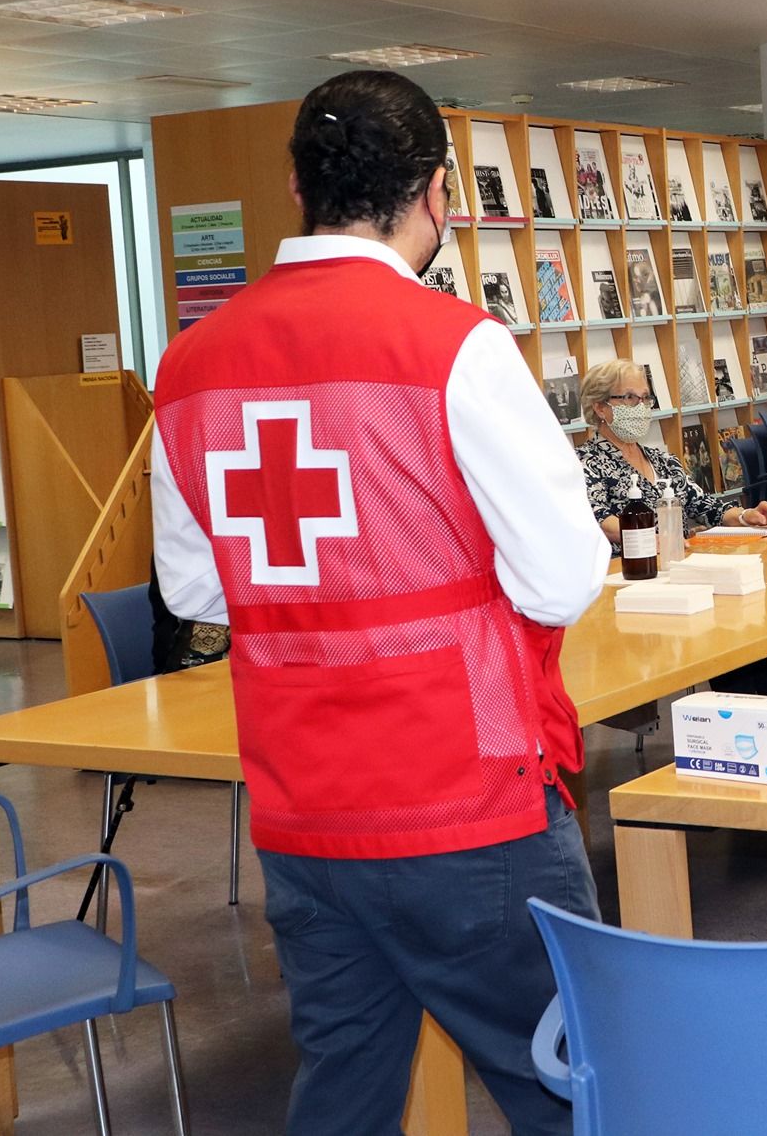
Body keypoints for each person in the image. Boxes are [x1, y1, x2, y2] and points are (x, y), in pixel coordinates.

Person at [150, 71, 611, 1134]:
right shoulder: (455, 345)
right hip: (467, 795)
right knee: (567, 1082)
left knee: (347, 1086)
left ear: (296, 188)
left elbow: (193, 587)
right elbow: (560, 575)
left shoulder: (190, 363)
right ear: (437, 193)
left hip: (302, 807)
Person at [577, 359, 767, 697]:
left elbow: (703, 505)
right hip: (632, 581)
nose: (642, 407)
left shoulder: (661, 459)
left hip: (679, 571)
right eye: (630, 398)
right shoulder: (586, 462)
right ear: (601, 407)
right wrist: (652, 538)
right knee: (723, 624)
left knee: (752, 623)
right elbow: (600, 520)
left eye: (646, 398)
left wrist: (746, 514)